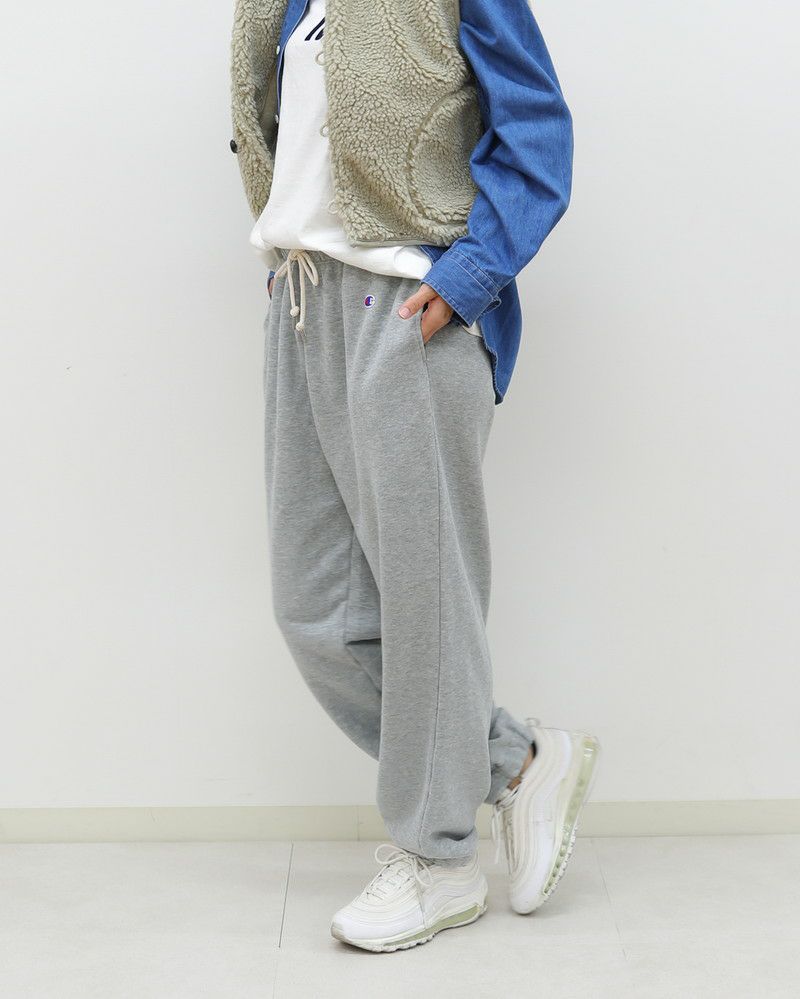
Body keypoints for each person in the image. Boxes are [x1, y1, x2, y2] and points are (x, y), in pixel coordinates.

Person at [229, 0, 599, 952]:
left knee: (426, 600)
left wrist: (468, 278)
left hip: (408, 304)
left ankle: (440, 859)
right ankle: (516, 760)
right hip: (303, 299)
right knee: (316, 611)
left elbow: (538, 130)